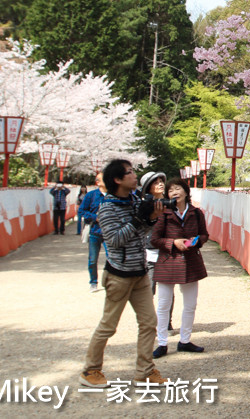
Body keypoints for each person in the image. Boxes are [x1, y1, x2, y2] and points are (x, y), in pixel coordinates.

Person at [80, 159, 167, 388]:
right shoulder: (107, 207)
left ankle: (145, 372)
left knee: (149, 322)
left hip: (139, 272)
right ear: (117, 180)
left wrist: (150, 219)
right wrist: (138, 220)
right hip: (119, 275)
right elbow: (115, 240)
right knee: (109, 325)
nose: (134, 176)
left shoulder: (136, 200)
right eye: (129, 173)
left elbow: (143, 233)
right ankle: (90, 370)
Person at [150, 178, 208, 359]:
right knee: (163, 304)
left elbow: (204, 234)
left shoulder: (196, 213)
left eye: (178, 189)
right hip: (168, 261)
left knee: (190, 304)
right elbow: (154, 239)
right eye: (171, 190)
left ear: (185, 191)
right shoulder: (163, 214)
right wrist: (173, 242)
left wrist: (195, 242)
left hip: (191, 261)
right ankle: (162, 342)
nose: (174, 192)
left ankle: (185, 340)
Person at [78, 175, 108, 292]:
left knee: (111, 257)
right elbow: (81, 210)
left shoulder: (113, 195)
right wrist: (95, 217)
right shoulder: (91, 195)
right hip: (95, 231)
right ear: (97, 182)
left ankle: (107, 280)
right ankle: (93, 282)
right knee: (92, 259)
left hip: (109, 232)